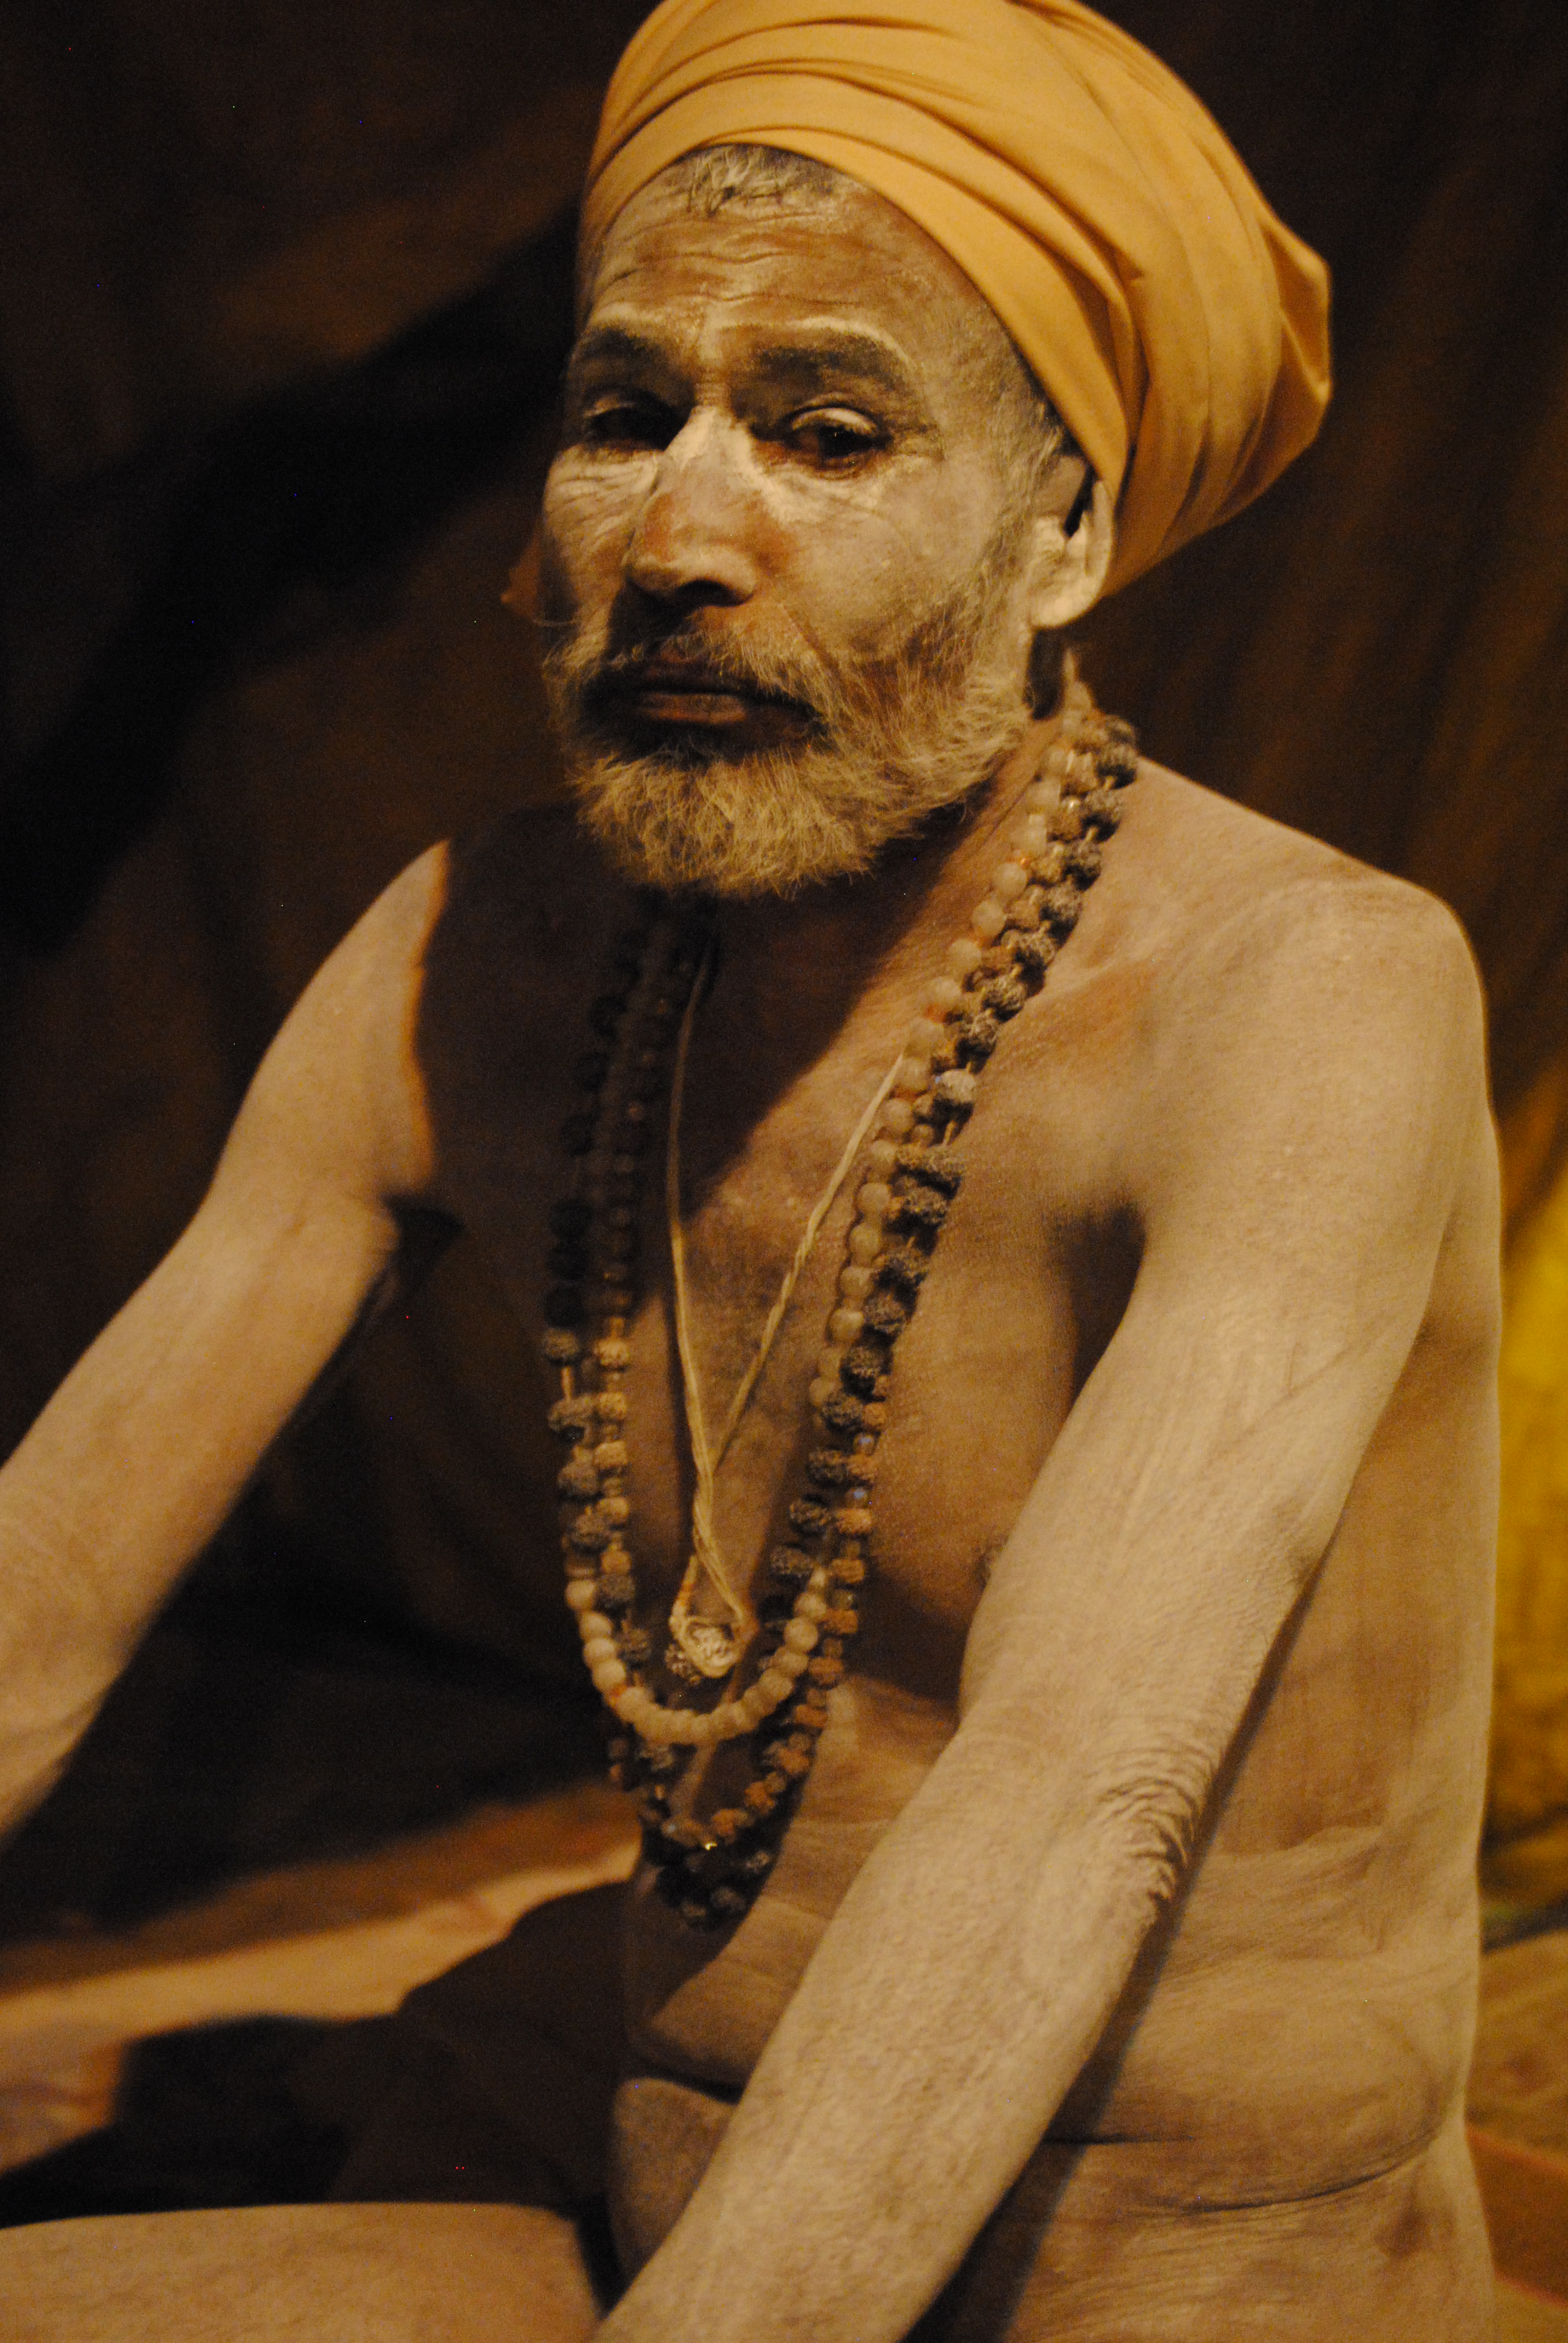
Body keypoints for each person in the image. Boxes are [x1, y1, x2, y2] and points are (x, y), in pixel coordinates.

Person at [0, 2, 1500, 2337]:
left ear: (1065, 533)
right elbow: (45, 1597)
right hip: (653, 2178)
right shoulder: (485, 956)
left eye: (828, 433)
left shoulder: (1303, 995)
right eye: (627, 419)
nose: (683, 540)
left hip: (1167, 2277)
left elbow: (1077, 1792)